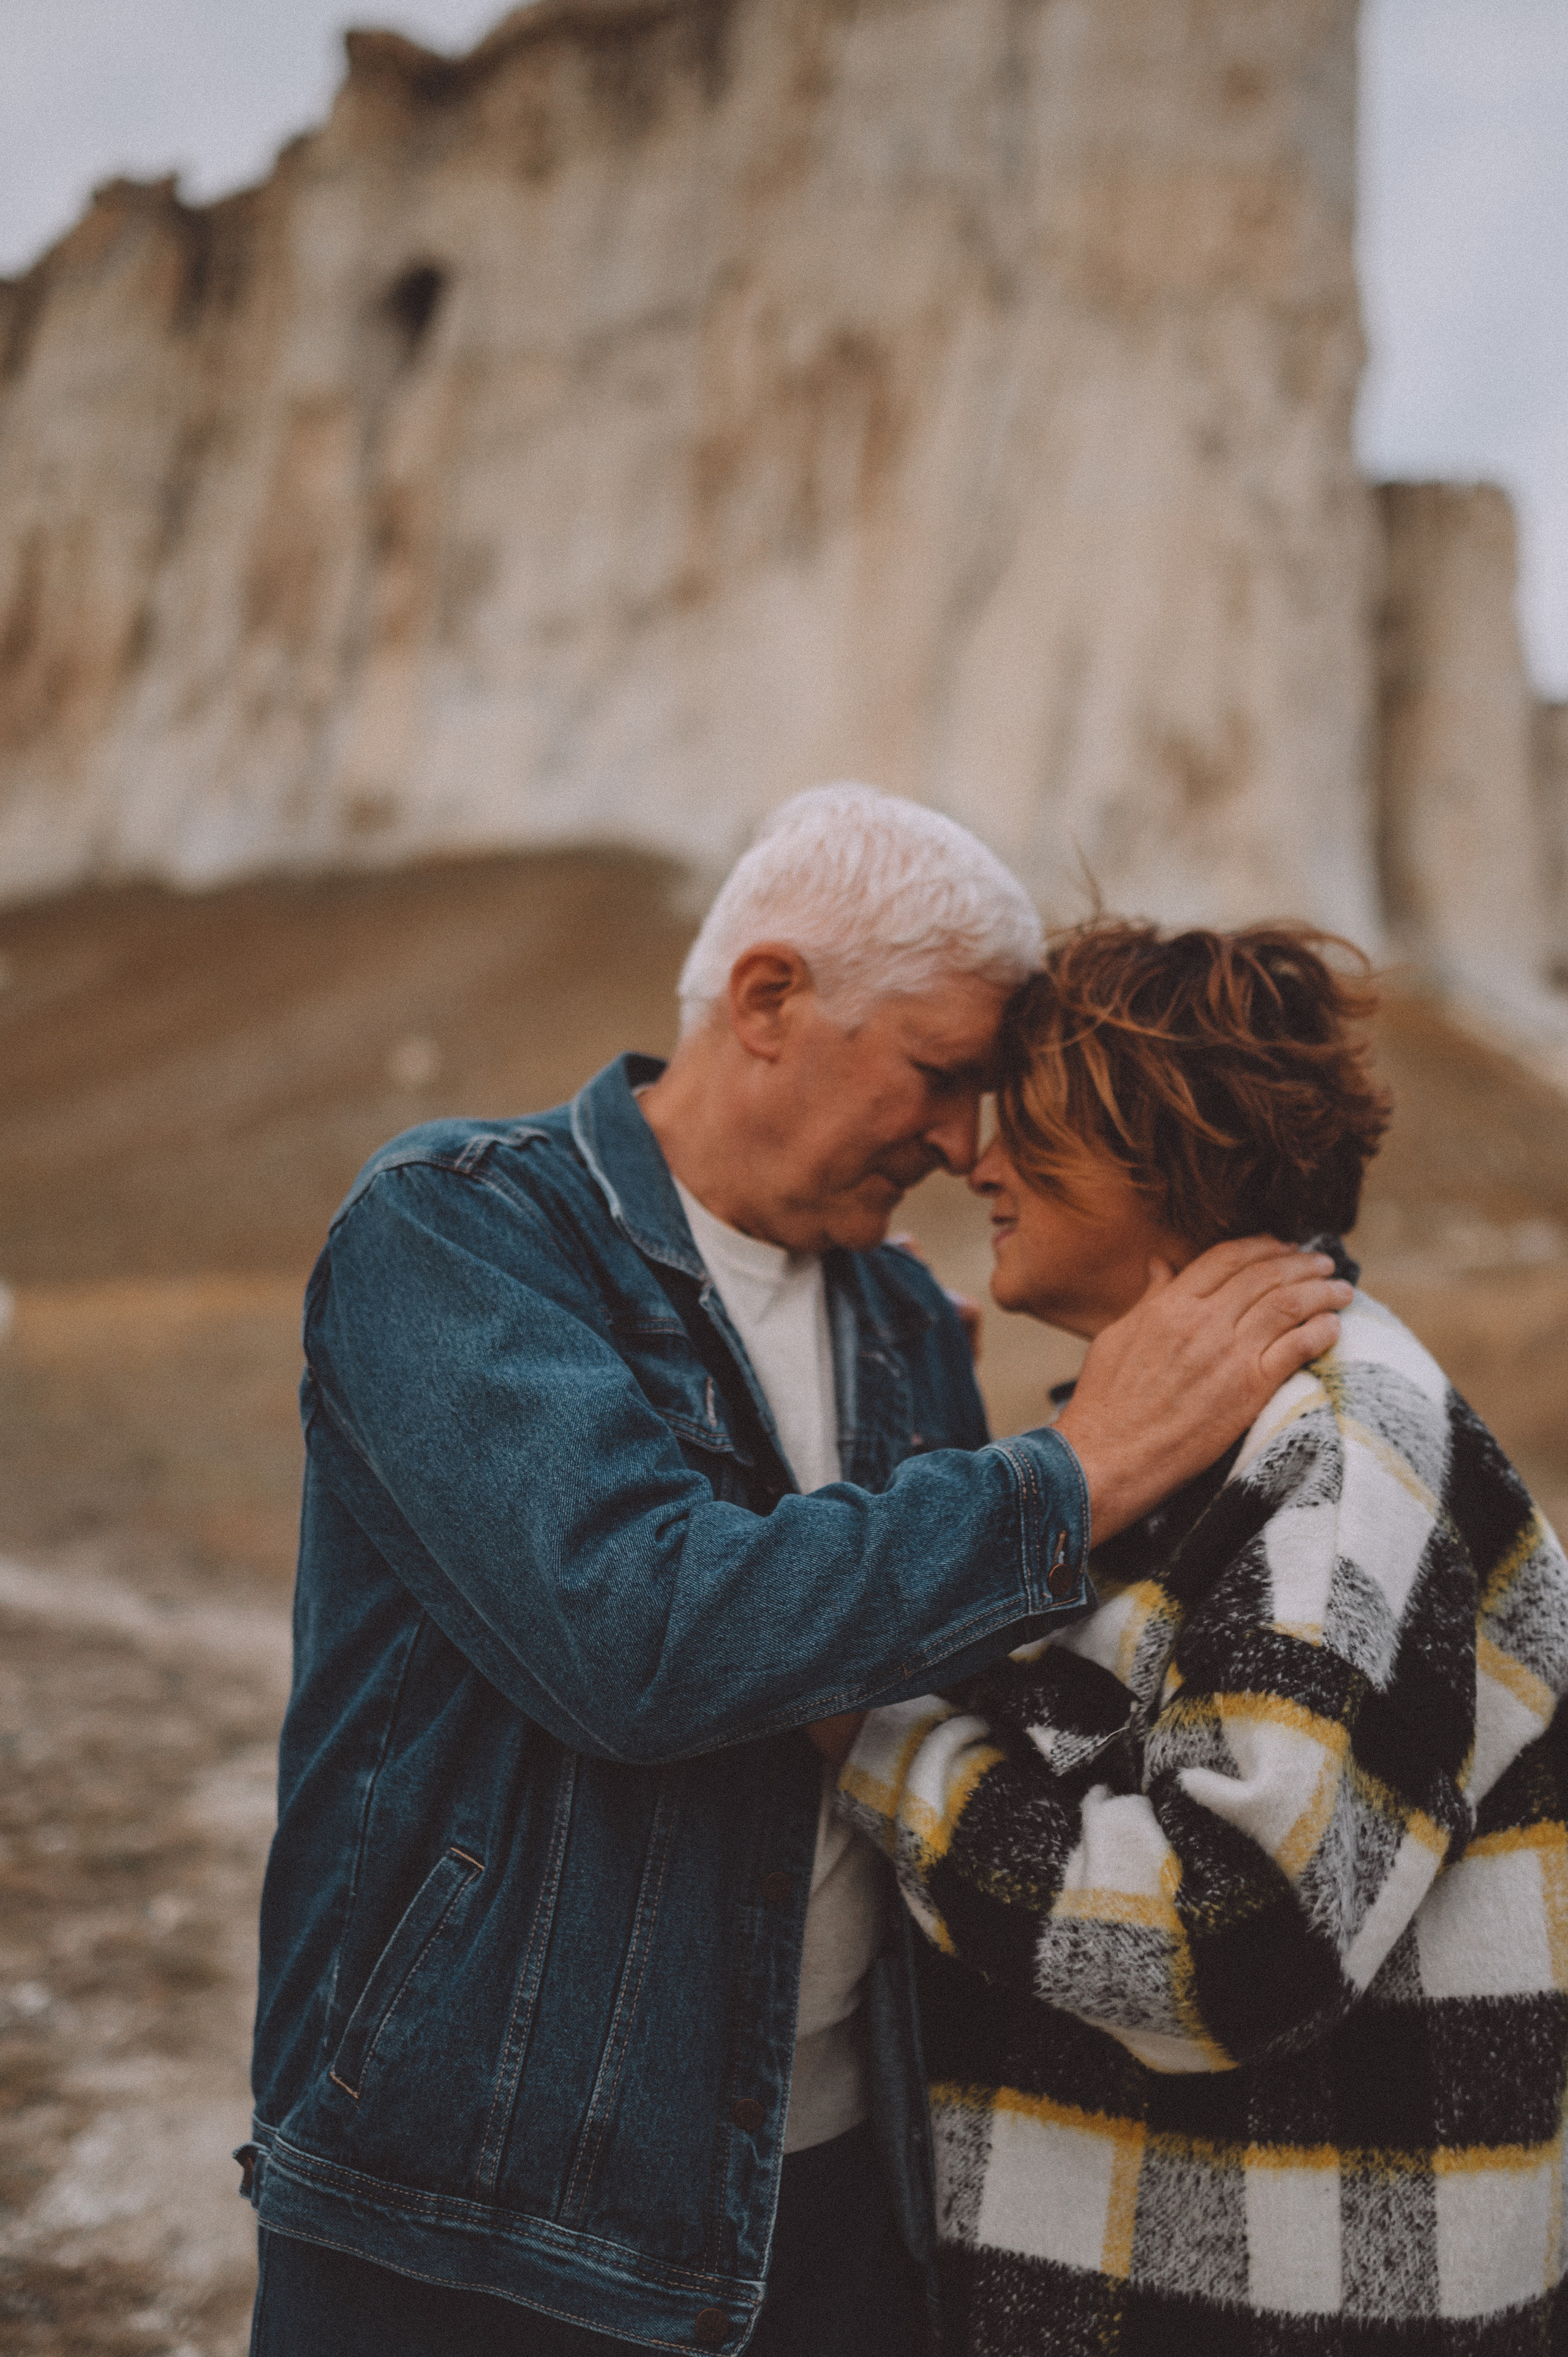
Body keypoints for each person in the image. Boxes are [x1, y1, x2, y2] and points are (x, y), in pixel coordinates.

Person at [241, 793, 1352, 2357]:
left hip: (833, 2188)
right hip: (476, 2206)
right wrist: (1077, 1472)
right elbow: (638, 1637)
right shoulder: (459, 1232)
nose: (963, 1142)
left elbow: (937, 1672)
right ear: (768, 1001)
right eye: (938, 1072)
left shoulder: (897, 1316)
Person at [839, 919, 1568, 2355]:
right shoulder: (1176, 1443)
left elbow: (1231, 1936)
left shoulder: (1347, 1446)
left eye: (1031, 1129)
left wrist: (867, 1742)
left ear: (1167, 1149)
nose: (977, 1163)